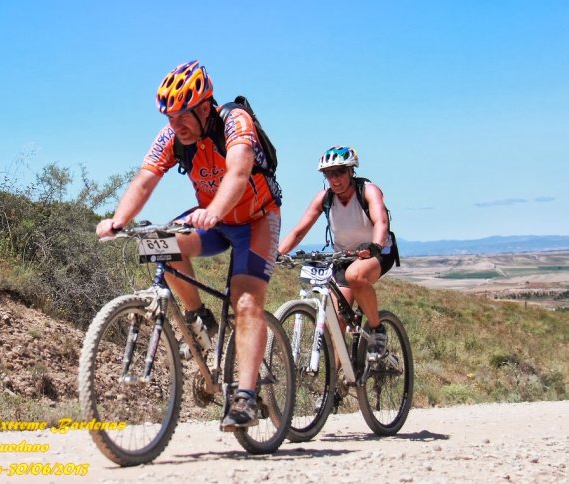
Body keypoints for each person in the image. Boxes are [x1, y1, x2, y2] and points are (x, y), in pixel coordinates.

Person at [96, 60, 282, 430]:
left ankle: (245, 397)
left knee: (246, 302)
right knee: (157, 244)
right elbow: (145, 179)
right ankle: (199, 316)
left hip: (256, 218)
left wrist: (214, 210)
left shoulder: (235, 122)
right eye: (169, 117)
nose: (175, 125)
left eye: (183, 116)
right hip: (212, 218)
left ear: (204, 107)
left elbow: (239, 172)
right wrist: (118, 220)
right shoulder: (172, 138)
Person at [278, 146, 397, 357]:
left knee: (355, 275)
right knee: (336, 321)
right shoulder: (324, 198)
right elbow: (298, 232)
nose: (334, 179)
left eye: (340, 172)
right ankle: (339, 376)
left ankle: (377, 329)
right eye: (328, 174)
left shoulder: (368, 190)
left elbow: (381, 221)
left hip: (379, 252)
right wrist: (277, 254)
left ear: (351, 171)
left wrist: (375, 246)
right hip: (344, 257)